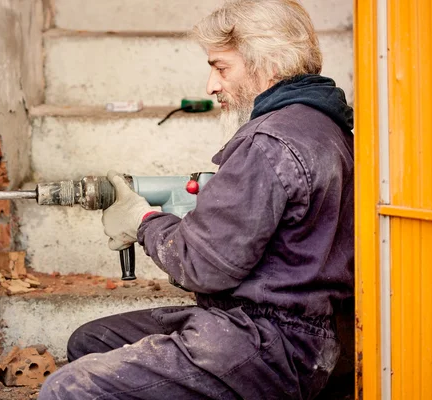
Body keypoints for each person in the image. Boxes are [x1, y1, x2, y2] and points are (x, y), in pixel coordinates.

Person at [38, 0, 354, 398]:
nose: (212, 85)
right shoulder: (327, 128)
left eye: (221, 67)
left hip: (269, 343)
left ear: (269, 64)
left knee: (68, 388)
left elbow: (204, 268)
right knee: (92, 340)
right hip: (303, 337)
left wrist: (145, 222)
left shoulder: (268, 142)